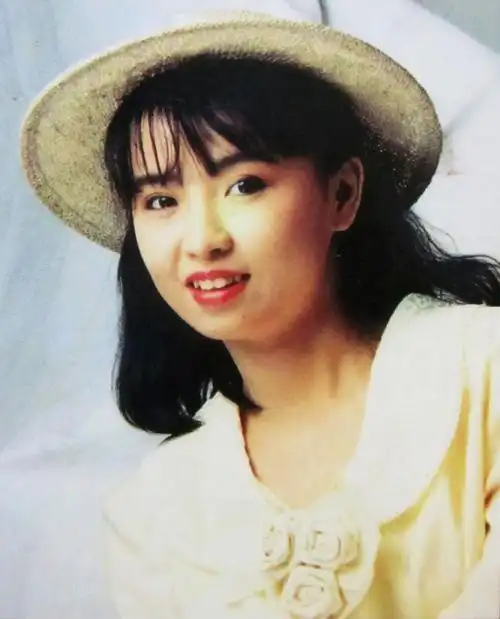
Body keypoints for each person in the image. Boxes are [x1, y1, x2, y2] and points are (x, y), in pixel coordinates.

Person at [20, 10, 500, 619]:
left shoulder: (483, 375)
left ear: (342, 194)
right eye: (161, 200)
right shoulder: (154, 512)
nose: (202, 240)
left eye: (245, 185)